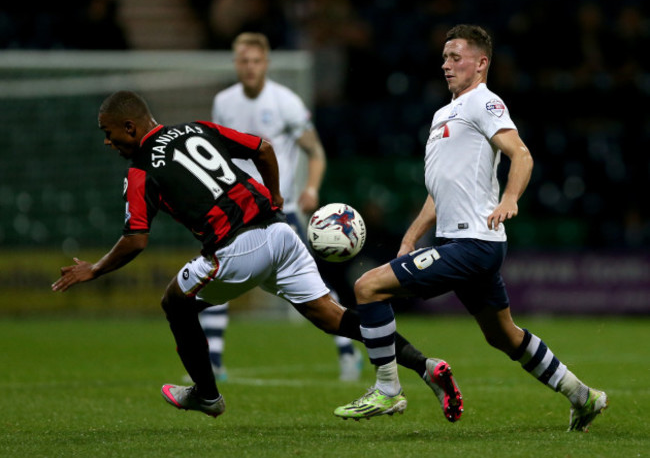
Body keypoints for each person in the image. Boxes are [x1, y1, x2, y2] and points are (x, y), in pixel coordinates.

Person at [51, 90, 462, 421]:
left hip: (236, 248)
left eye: (109, 133)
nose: (108, 142)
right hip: (280, 233)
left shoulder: (141, 170)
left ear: (129, 126)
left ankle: (207, 395)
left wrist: (96, 269)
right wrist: (277, 198)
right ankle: (425, 366)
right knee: (330, 315)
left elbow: (136, 238)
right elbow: (264, 149)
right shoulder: (197, 127)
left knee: (174, 302)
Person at [334, 24, 608, 432]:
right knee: (503, 336)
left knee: (367, 287)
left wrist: (510, 198)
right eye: (444, 57)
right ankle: (582, 396)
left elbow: (522, 155)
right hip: (462, 241)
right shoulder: (443, 113)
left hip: (473, 242)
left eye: (456, 57)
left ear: (481, 64)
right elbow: (439, 188)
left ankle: (387, 387)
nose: (446, 65)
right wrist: (410, 236)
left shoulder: (485, 102)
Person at [200, 31, 362, 383]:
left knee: (312, 287)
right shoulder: (223, 102)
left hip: (279, 212)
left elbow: (315, 150)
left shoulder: (284, 102)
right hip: (235, 211)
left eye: (256, 61)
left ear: (266, 63)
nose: (249, 67)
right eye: (243, 61)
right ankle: (212, 362)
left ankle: (349, 351)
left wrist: (311, 188)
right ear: (236, 63)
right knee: (216, 277)